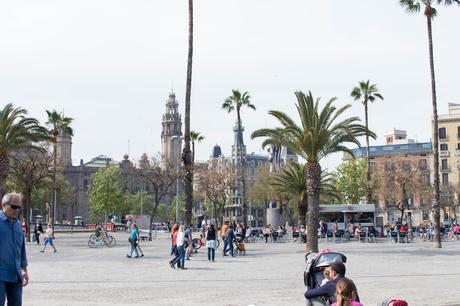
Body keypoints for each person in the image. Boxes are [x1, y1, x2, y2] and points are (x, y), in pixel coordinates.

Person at [1, 192, 29, 306]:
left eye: (19, 207)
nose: (17, 210)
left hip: (15, 275)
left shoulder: (18, 225)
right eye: (14, 206)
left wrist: (24, 270)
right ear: (4, 205)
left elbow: (21, 250)